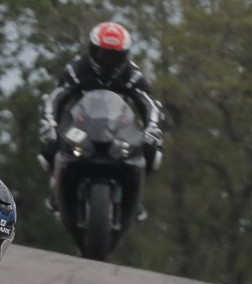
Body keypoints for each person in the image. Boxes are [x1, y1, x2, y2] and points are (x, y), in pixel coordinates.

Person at [38, 20, 165, 175]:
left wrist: (152, 127)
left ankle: (136, 181)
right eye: (104, 54)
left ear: (124, 56)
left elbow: (148, 102)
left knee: (152, 151)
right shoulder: (77, 68)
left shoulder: (132, 74)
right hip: (80, 128)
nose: (109, 61)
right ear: (93, 51)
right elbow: (56, 97)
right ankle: (57, 177)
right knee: (49, 146)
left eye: (115, 56)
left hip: (119, 131)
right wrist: (49, 122)